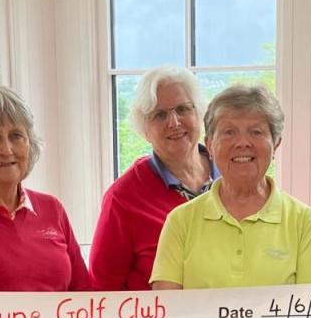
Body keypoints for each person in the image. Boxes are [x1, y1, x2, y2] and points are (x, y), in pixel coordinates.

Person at [152, 83, 311, 289]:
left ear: (276, 143)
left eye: (256, 132)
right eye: (229, 132)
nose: (243, 142)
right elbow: (167, 312)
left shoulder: (303, 222)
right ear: (209, 145)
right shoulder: (180, 221)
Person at [0, 85, 91, 291]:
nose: (6, 149)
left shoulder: (52, 208)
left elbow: (83, 293)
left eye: (16, 136)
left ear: (29, 145)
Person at [90, 67, 218, 290]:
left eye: (182, 109)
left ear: (200, 115)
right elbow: (103, 288)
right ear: (144, 129)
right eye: (159, 115)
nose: (174, 122)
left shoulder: (233, 176)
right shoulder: (123, 198)